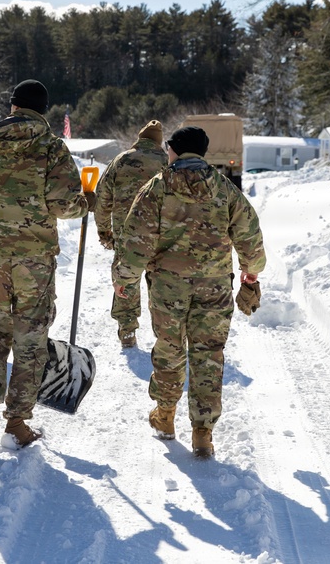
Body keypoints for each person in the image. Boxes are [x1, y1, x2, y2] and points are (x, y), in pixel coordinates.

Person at [0, 79, 91, 448]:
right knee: (30, 338)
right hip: (34, 262)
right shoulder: (51, 147)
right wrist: (85, 201)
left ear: (12, 106)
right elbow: (63, 204)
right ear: (43, 109)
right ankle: (17, 422)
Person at [112, 126, 266, 458]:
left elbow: (136, 238)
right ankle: (203, 433)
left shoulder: (157, 188)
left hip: (168, 287)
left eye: (169, 149)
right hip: (214, 287)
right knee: (208, 354)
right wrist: (251, 270)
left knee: (170, 349)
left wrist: (124, 279)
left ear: (176, 151)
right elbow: (249, 232)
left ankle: (165, 417)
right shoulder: (224, 189)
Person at [93, 120, 168, 348]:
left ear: (140, 138)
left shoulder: (121, 160)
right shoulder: (167, 162)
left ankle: (127, 331)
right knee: (161, 282)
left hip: (126, 235)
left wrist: (105, 230)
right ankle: (166, 333)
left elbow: (102, 197)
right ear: (159, 141)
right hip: (161, 236)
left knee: (126, 279)